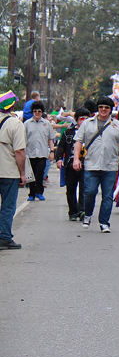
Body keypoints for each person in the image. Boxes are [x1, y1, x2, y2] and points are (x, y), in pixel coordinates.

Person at [73, 96, 119, 233]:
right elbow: (78, 142)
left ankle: (104, 222)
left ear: (111, 109)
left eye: (106, 107)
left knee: (107, 196)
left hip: (110, 166)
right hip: (91, 164)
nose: (103, 110)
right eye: (101, 107)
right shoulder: (87, 124)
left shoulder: (117, 125)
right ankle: (87, 214)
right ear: (97, 109)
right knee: (90, 192)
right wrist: (76, 159)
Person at [0, 91, 27, 249]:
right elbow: (19, 152)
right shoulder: (15, 124)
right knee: (8, 206)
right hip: (8, 172)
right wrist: (22, 173)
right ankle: (4, 237)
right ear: (12, 106)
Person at [56, 108, 90, 220]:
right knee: (71, 188)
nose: (83, 121)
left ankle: (82, 210)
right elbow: (61, 146)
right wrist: (59, 159)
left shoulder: (91, 133)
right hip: (70, 163)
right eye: (81, 119)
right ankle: (72, 212)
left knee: (84, 188)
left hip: (87, 163)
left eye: (86, 119)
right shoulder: (68, 133)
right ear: (76, 120)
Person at [24, 101, 55, 202]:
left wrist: (52, 151)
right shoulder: (27, 124)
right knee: (31, 174)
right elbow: (23, 138)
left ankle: (39, 192)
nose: (37, 113)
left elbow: (50, 138)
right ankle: (31, 193)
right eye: (35, 111)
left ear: (42, 112)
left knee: (40, 172)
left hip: (42, 153)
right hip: (30, 153)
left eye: (39, 111)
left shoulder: (46, 124)